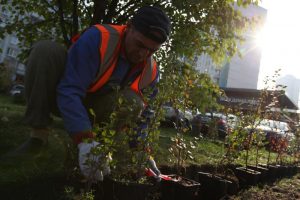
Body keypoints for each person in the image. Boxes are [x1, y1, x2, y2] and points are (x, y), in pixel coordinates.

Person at [9, 5, 171, 182]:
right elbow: (69, 89)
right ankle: (38, 139)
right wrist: (85, 141)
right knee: (44, 51)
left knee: (133, 103)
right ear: (129, 27)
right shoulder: (100, 38)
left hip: (96, 109)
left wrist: (142, 152)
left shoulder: (151, 71)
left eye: (152, 50)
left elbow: (145, 116)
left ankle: (99, 153)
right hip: (60, 96)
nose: (143, 54)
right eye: (140, 44)